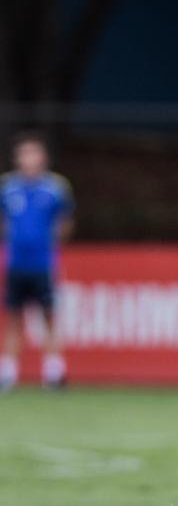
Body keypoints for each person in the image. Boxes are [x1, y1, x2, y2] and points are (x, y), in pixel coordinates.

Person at [1, 133, 74, 391]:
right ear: (17, 158)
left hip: (43, 263)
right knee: (13, 317)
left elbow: (65, 221)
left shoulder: (55, 187)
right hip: (15, 263)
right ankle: (8, 373)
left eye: (34, 153)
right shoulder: (7, 187)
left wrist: (51, 244)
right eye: (25, 153)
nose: (29, 159)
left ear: (43, 158)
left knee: (49, 317)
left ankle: (54, 372)